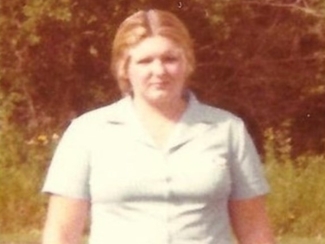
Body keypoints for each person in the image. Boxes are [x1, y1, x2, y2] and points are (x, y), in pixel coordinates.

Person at [42, 9, 275, 244]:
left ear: (187, 63)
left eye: (170, 59)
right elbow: (61, 232)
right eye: (145, 61)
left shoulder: (227, 130)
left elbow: (255, 230)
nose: (159, 71)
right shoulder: (88, 132)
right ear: (124, 68)